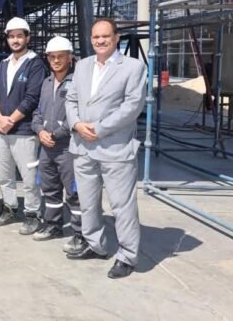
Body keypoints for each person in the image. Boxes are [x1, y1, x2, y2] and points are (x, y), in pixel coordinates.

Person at [65, 18, 146, 279]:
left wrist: (98, 128)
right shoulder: (82, 66)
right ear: (91, 39)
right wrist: (77, 124)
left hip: (115, 148)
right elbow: (71, 99)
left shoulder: (133, 67)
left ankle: (127, 256)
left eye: (105, 36)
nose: (100, 41)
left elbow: (132, 106)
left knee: (122, 206)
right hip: (83, 147)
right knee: (88, 203)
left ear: (116, 38)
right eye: (96, 37)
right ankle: (95, 245)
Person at [0, 17, 46, 235]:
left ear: (27, 38)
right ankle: (10, 207)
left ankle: (33, 214)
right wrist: (0, 119)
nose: (15, 40)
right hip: (1, 130)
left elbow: (32, 98)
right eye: (11, 36)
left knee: (29, 178)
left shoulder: (35, 64)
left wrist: (10, 120)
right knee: (4, 174)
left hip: (24, 132)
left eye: (19, 36)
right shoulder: (3, 64)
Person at [31, 36, 83, 252]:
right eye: (52, 56)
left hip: (68, 147)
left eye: (61, 56)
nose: (56, 60)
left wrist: (56, 133)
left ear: (70, 57)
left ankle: (80, 234)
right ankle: (53, 225)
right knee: (49, 188)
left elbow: (79, 114)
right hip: (47, 147)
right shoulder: (46, 82)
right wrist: (39, 130)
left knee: (74, 192)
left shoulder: (78, 81)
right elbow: (37, 111)